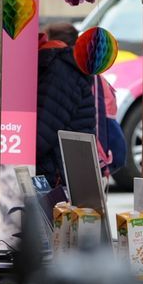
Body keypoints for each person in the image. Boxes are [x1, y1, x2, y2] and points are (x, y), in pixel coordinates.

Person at [35, 21, 96, 200]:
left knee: (47, 225)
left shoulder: (59, 70)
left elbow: (43, 132)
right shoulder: (67, 68)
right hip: (69, 171)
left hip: (56, 174)